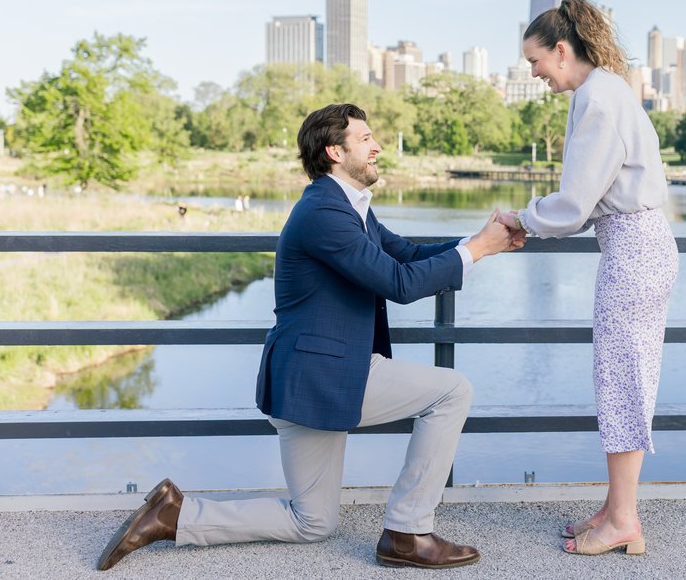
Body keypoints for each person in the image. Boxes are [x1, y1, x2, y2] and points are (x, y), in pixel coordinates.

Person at [97, 103, 524, 571]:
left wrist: (481, 243)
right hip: (323, 375)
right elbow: (399, 284)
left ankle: (174, 515)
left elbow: (404, 256)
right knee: (451, 391)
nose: (377, 145)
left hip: (316, 375)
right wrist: (480, 249)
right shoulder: (324, 213)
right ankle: (408, 531)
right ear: (334, 151)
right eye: (365, 138)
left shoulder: (344, 205)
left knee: (312, 522)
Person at [498, 0, 679, 556]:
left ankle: (623, 519)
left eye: (535, 62)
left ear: (560, 49)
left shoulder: (598, 98)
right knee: (625, 375)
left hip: (633, 253)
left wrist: (521, 218)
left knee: (621, 380)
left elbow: (575, 204)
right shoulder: (606, 88)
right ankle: (613, 508)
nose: (532, 74)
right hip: (641, 247)